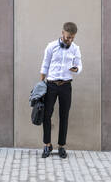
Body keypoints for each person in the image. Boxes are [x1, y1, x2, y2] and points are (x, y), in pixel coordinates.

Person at [40, 22, 83, 158]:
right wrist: (41, 86)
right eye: (68, 37)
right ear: (62, 33)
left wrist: (76, 69)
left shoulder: (75, 49)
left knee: (64, 116)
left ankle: (61, 146)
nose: (70, 40)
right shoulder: (51, 46)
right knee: (46, 115)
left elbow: (79, 65)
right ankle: (47, 145)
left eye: (72, 38)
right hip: (51, 85)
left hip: (66, 86)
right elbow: (44, 65)